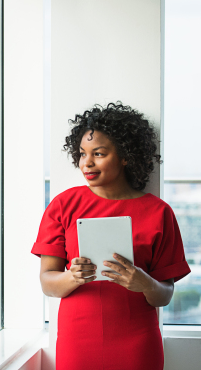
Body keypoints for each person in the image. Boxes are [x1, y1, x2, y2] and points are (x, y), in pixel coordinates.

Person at [31, 102, 191, 370]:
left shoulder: (158, 212)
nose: (87, 163)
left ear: (126, 156)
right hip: (77, 341)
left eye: (99, 153)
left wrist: (144, 282)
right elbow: (47, 283)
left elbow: (164, 295)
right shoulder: (63, 205)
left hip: (137, 343)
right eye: (82, 154)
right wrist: (72, 276)